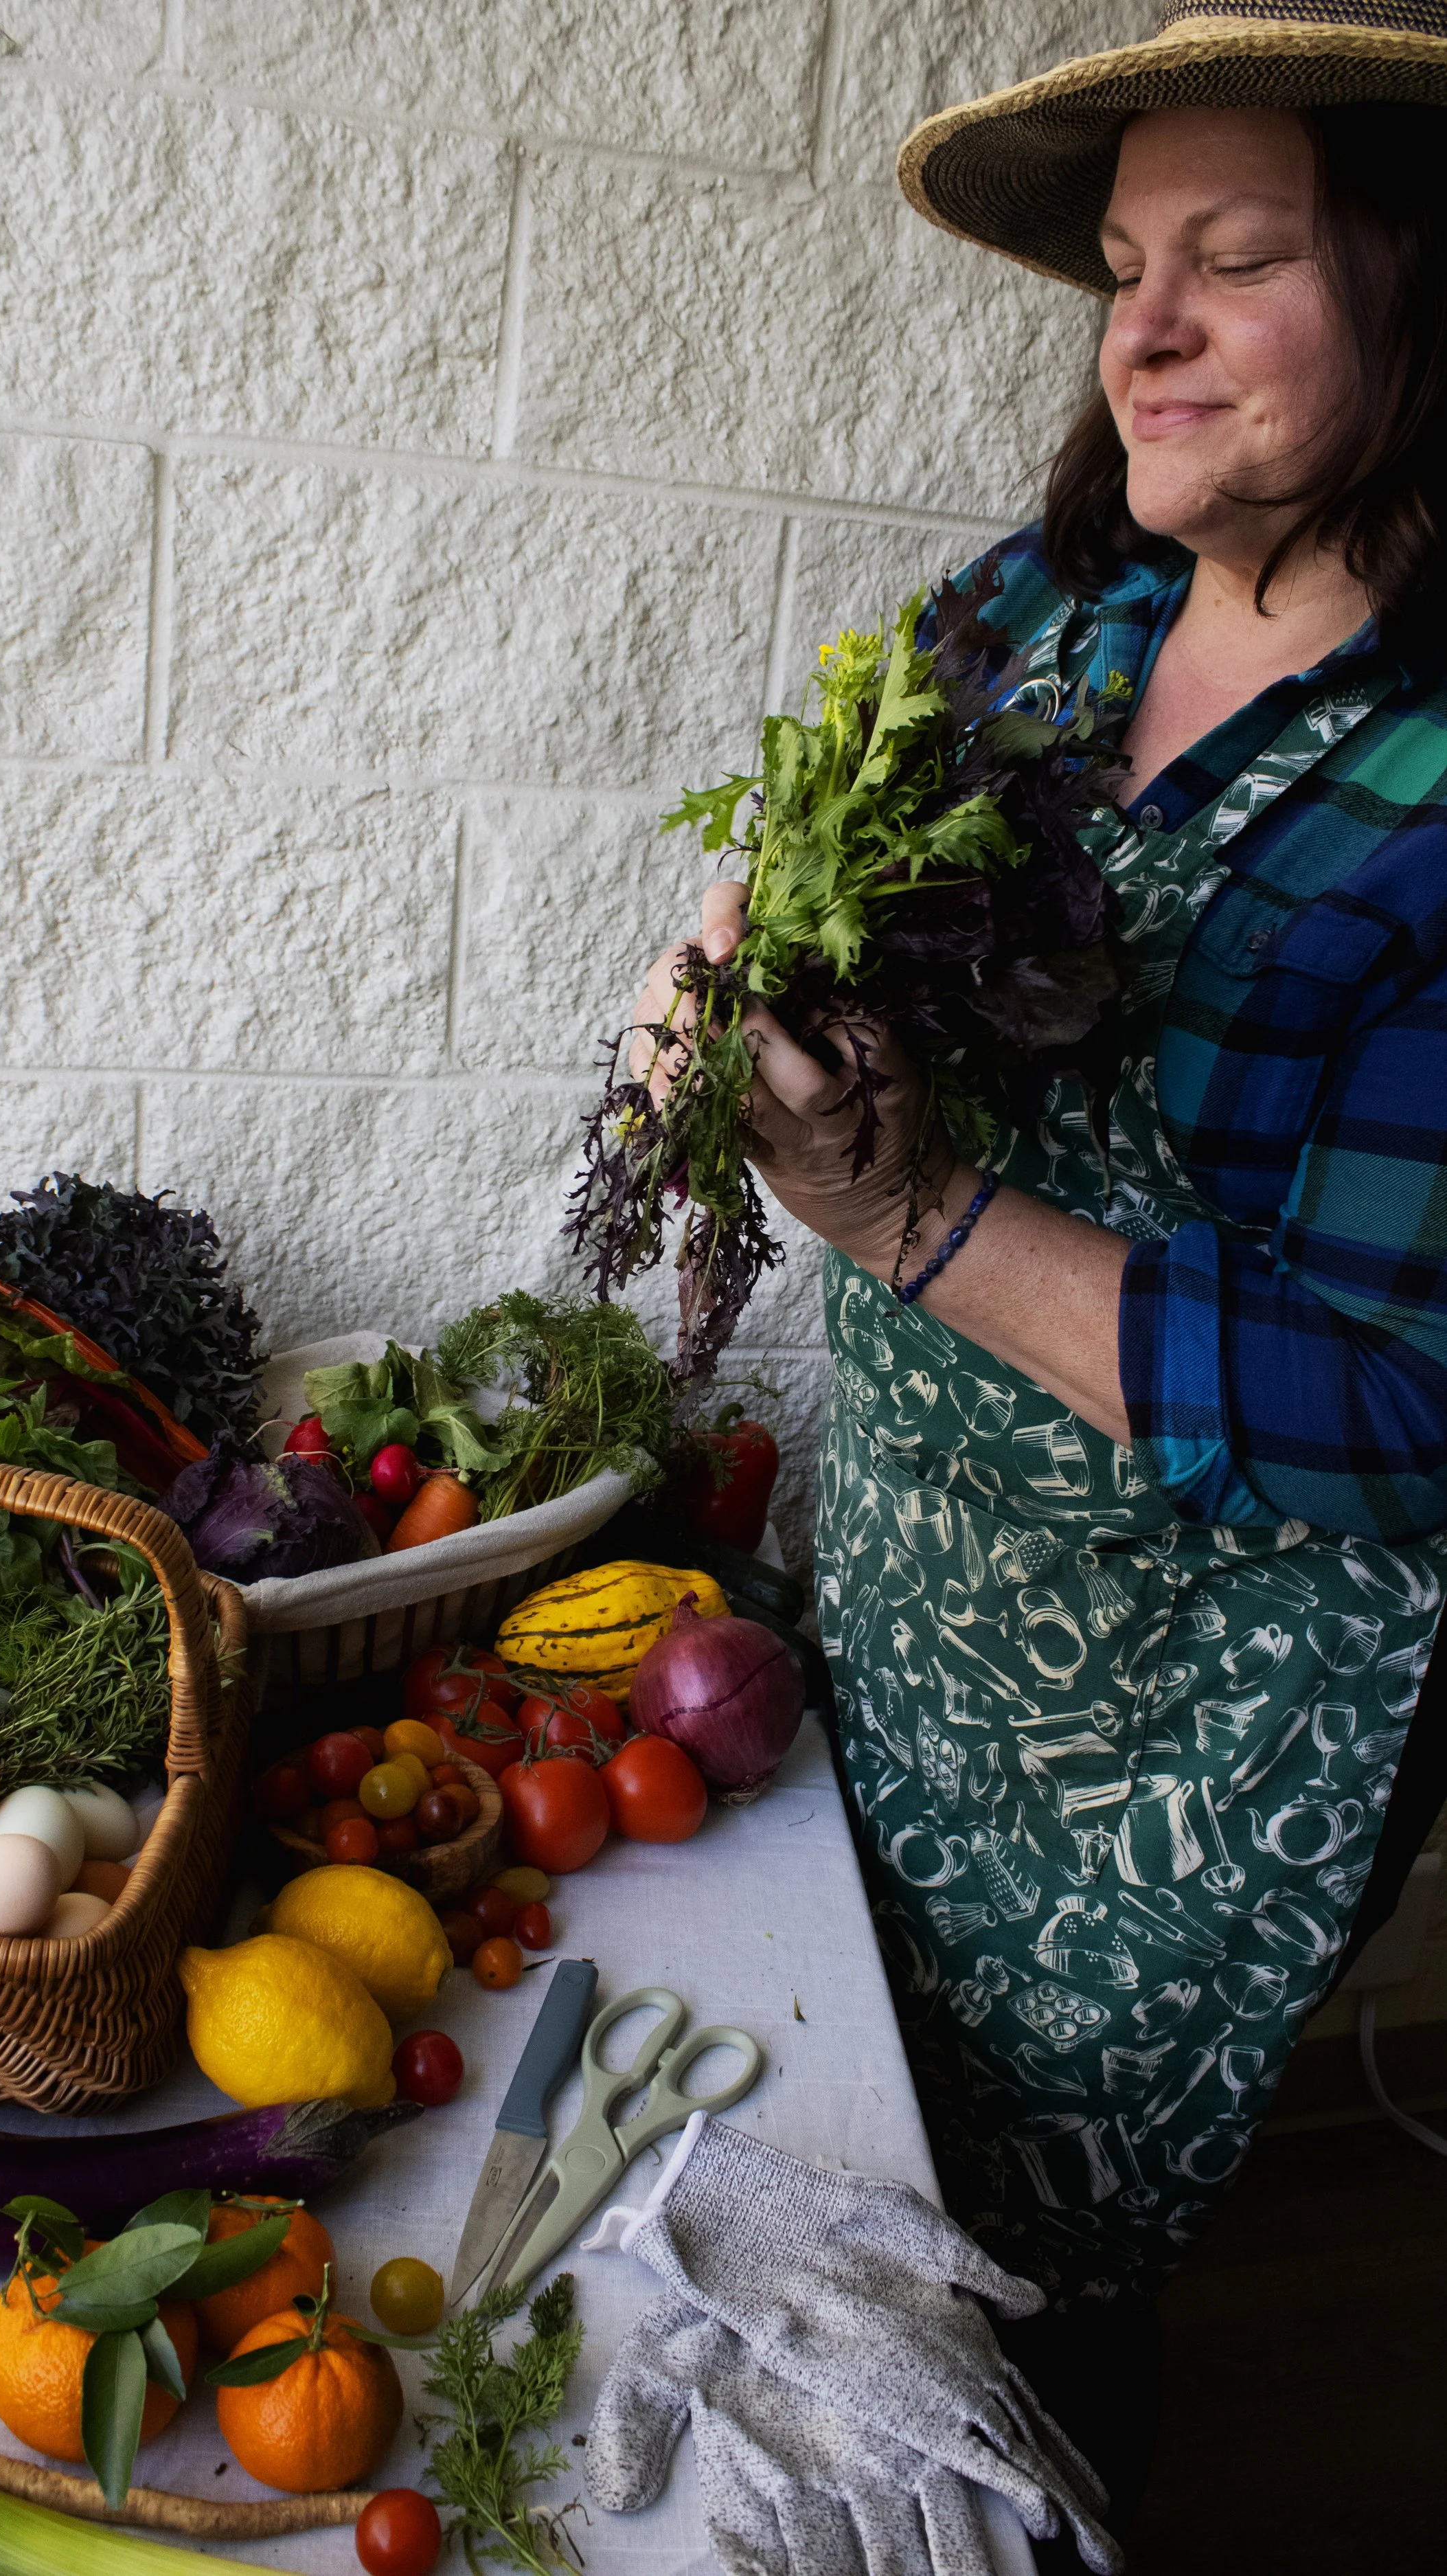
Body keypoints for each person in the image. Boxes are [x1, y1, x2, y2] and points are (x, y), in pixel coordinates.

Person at [633, 2, 1447, 2546]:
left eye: (1237, 258)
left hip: (1204, 1716)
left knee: (1027, 2293)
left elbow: (1396, 1404)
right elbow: (799, 859)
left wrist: (908, 1222)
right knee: (842, 2121)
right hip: (924, 1571)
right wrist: (721, 987)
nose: (1143, 331)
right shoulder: (1056, 610)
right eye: (1120, 267)